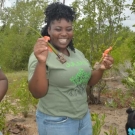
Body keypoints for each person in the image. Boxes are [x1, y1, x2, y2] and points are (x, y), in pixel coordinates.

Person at [28, 2, 114, 135]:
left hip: (83, 118)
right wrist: (41, 62)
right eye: (58, 29)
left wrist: (101, 69)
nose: (64, 33)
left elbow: (89, 81)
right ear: (49, 30)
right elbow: (37, 93)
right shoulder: (41, 54)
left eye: (68, 29)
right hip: (56, 122)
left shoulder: (76, 53)